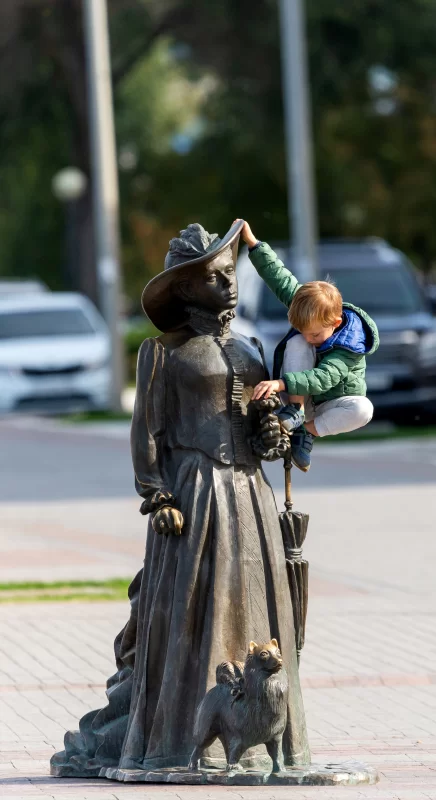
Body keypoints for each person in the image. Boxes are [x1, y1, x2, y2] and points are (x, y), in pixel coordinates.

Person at [50, 221, 310, 777]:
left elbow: (264, 421)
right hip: (196, 492)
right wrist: (157, 494)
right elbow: (147, 430)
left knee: (257, 604)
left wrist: (274, 436)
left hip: (251, 495)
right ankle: (184, 739)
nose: (230, 286)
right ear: (187, 288)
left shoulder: (252, 346)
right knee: (194, 611)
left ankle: (265, 734)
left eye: (230, 274)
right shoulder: (164, 354)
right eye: (216, 278)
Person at [236, 220, 379, 472]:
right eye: (305, 331)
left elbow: (323, 379)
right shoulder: (310, 311)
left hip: (330, 403)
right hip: (298, 395)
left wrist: (280, 384)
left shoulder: (349, 346)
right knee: (298, 343)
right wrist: (252, 243)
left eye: (315, 334)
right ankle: (295, 409)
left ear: (335, 323)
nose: (310, 338)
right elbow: (279, 277)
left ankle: (306, 433)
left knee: (363, 409)